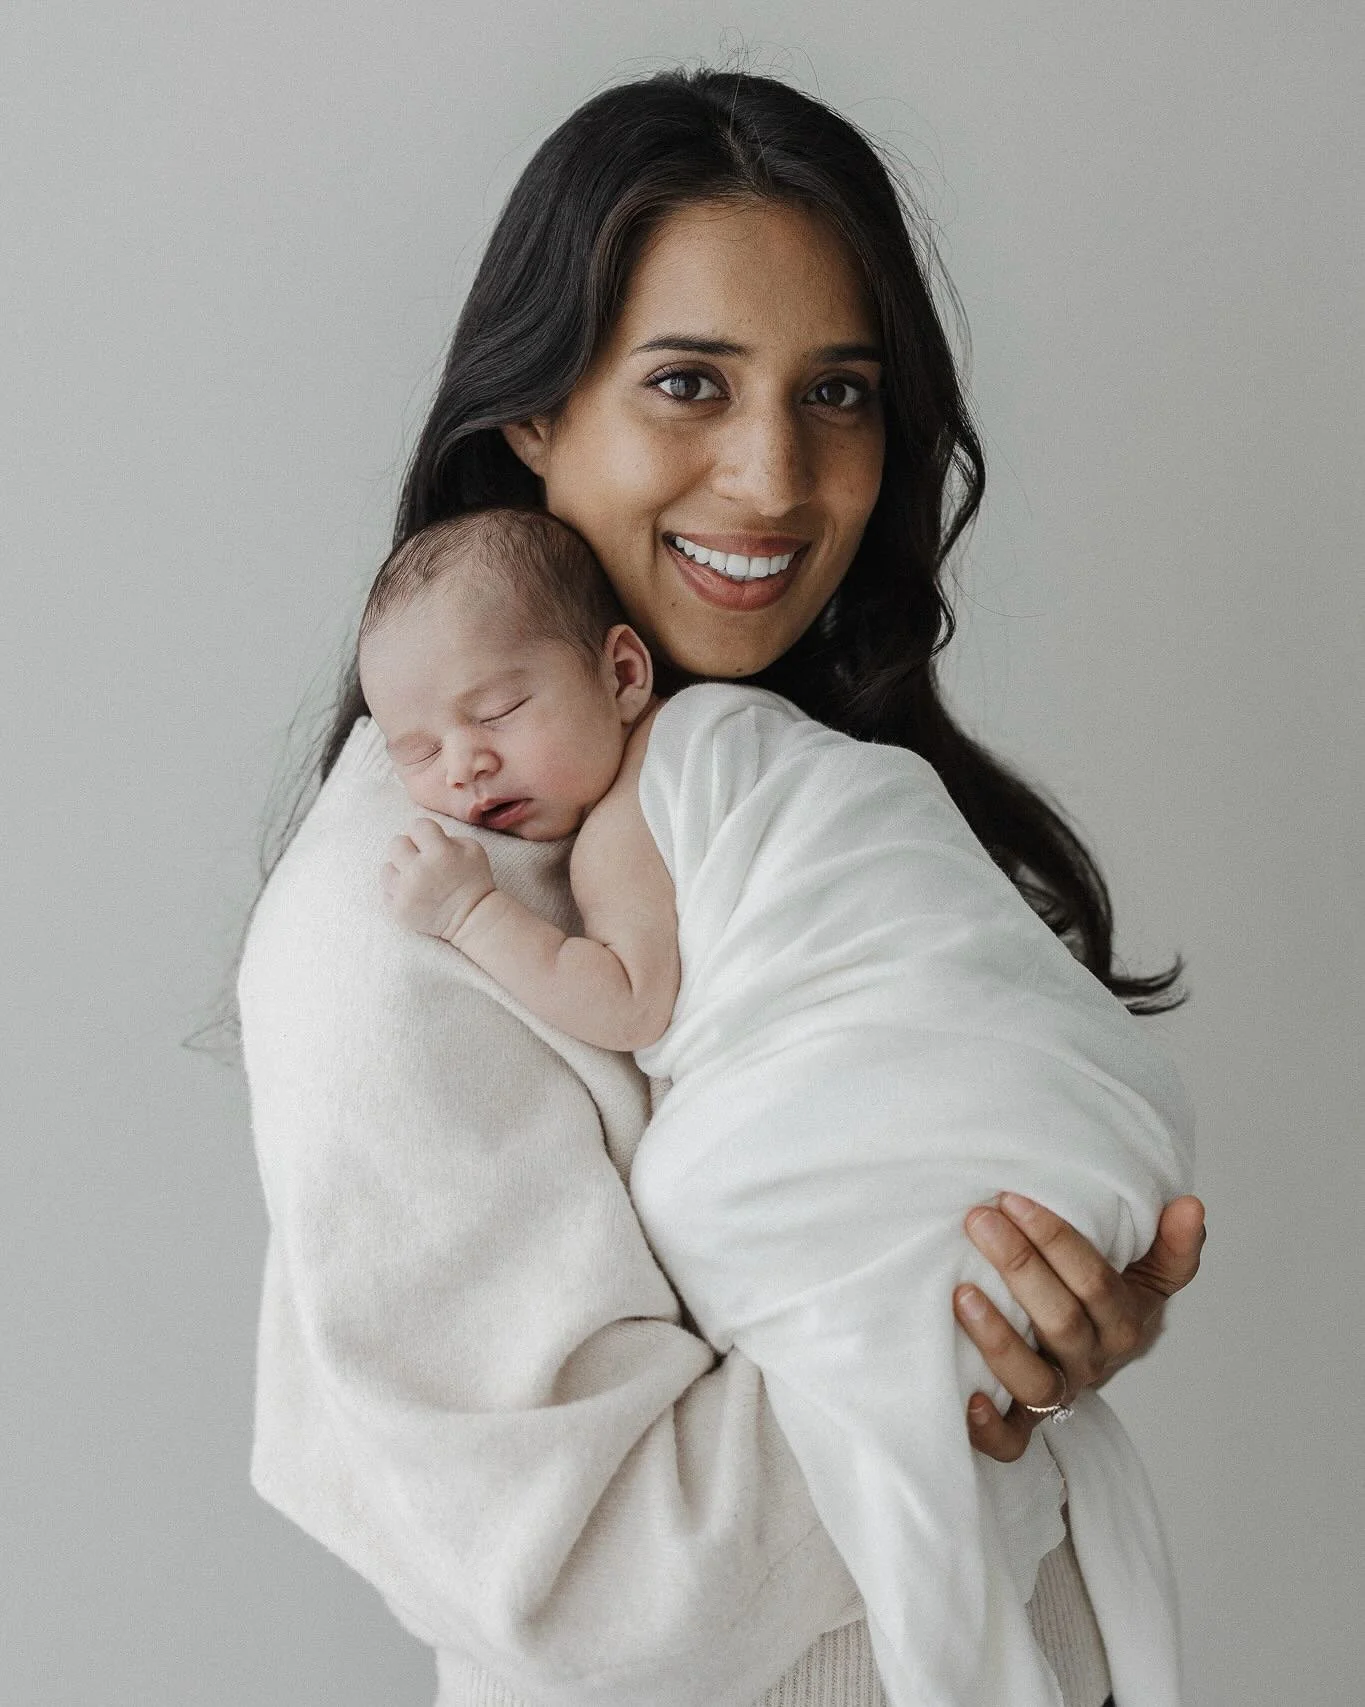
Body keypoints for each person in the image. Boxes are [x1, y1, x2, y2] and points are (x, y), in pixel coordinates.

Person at [237, 68, 1205, 1707]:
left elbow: (913, 1211)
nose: (771, 478)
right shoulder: (388, 937)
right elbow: (593, 1576)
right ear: (530, 415)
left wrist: (1042, 1309)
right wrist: (945, 1345)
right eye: (689, 382)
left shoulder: (779, 789)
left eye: (839, 393)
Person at [356, 505, 1193, 1707]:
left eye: (497, 714)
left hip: (926, 1093)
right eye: (415, 749)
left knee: (699, 1189)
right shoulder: (747, 734)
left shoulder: (632, 811)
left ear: (622, 672)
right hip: (1062, 1109)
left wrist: (474, 915)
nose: (463, 766)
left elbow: (632, 1001)